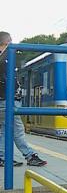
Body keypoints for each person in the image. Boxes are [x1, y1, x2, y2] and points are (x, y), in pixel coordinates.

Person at [0, 32, 46, 167]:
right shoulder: (4, 61)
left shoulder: (4, 60)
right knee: (17, 129)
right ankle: (30, 155)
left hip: (4, 100)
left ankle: (2, 157)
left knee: (5, 129)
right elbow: (8, 82)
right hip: (6, 101)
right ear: (7, 43)